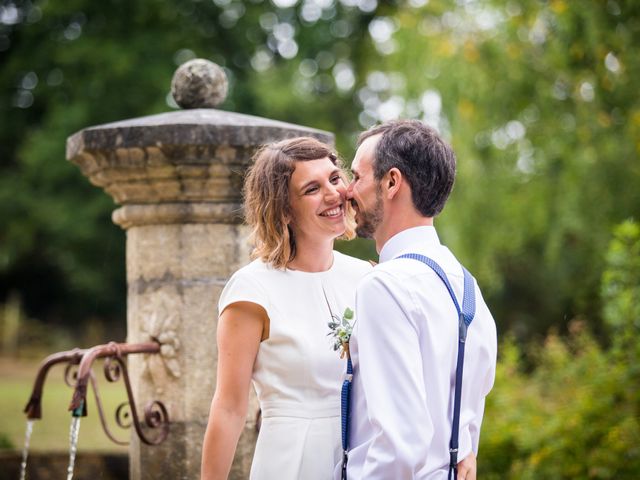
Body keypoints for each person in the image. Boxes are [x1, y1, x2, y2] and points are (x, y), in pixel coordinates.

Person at [200, 137, 373, 480]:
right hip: (292, 460)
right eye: (312, 188)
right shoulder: (252, 290)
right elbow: (230, 408)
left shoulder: (368, 278)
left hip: (363, 459)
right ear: (283, 210)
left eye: (334, 178)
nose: (333, 193)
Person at [341, 120, 498, 479]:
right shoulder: (468, 287)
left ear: (392, 182)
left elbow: (399, 446)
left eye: (357, 176)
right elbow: (467, 430)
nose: (348, 191)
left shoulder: (385, 286)